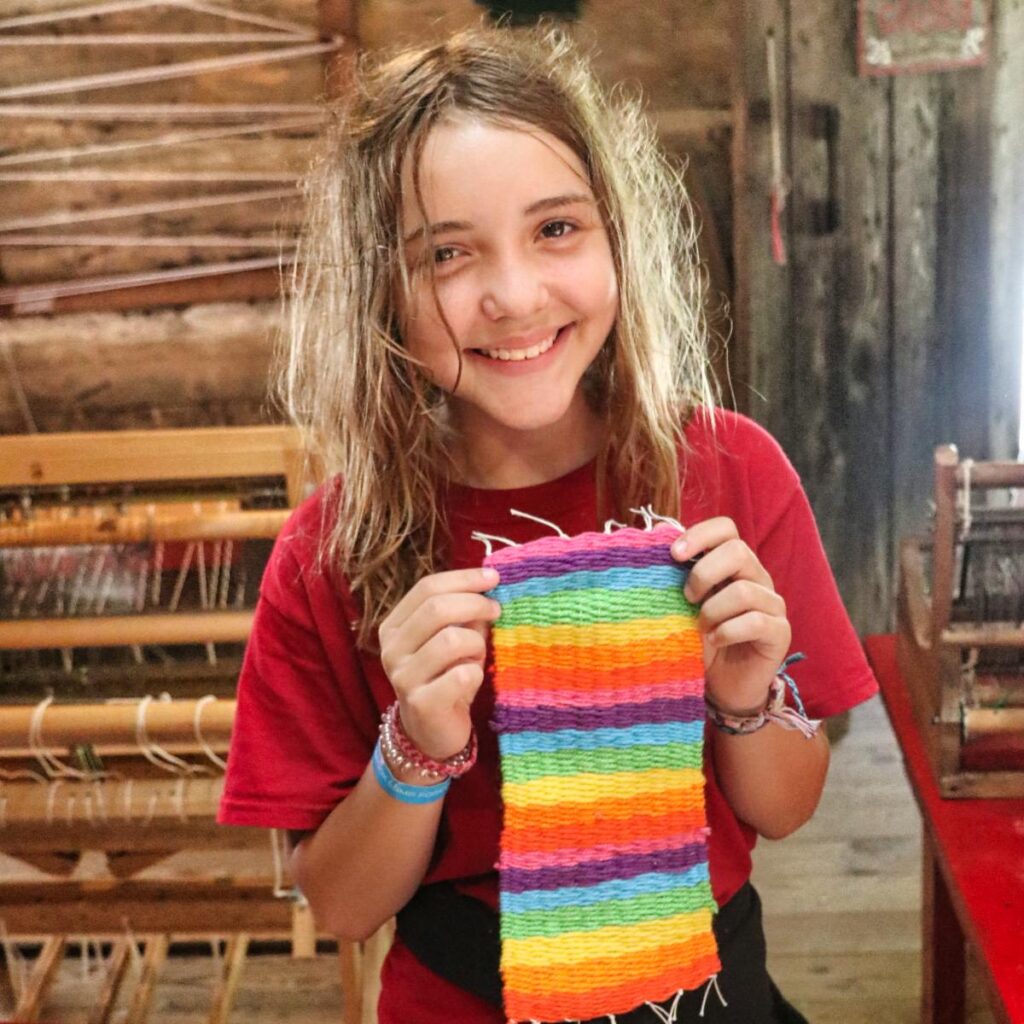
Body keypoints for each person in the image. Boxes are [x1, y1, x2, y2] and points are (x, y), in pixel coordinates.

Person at [218, 25, 878, 1024]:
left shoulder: (733, 470)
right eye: (447, 253)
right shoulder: (329, 553)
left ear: (617, 234)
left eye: (556, 230)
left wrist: (744, 697)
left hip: (710, 985)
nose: (514, 296)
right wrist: (415, 747)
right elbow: (344, 904)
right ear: (383, 291)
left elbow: (783, 808)